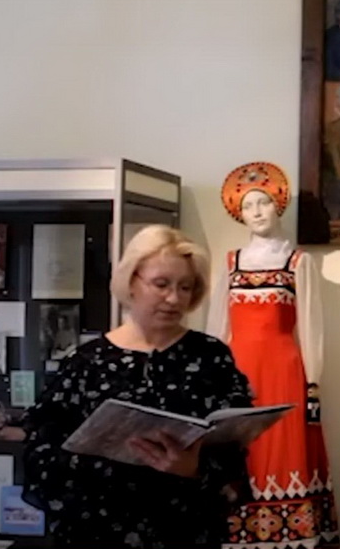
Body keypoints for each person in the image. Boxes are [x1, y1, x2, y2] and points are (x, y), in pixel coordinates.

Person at [20, 224, 254, 549]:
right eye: (161, 284)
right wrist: (99, 468)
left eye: (185, 287)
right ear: (131, 281)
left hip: (184, 529)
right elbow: (40, 450)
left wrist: (195, 469)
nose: (174, 298)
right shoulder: (86, 361)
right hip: (97, 530)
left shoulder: (210, 356)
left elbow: (234, 448)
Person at [206, 162, 340, 547]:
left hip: (284, 373)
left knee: (285, 451)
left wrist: (313, 383)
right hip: (239, 374)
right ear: (239, 213)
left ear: (278, 205)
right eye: (248, 206)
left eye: (263, 202)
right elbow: (217, 330)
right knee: (242, 453)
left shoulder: (298, 262)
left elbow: (311, 326)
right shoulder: (231, 263)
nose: (258, 212)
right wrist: (211, 382)